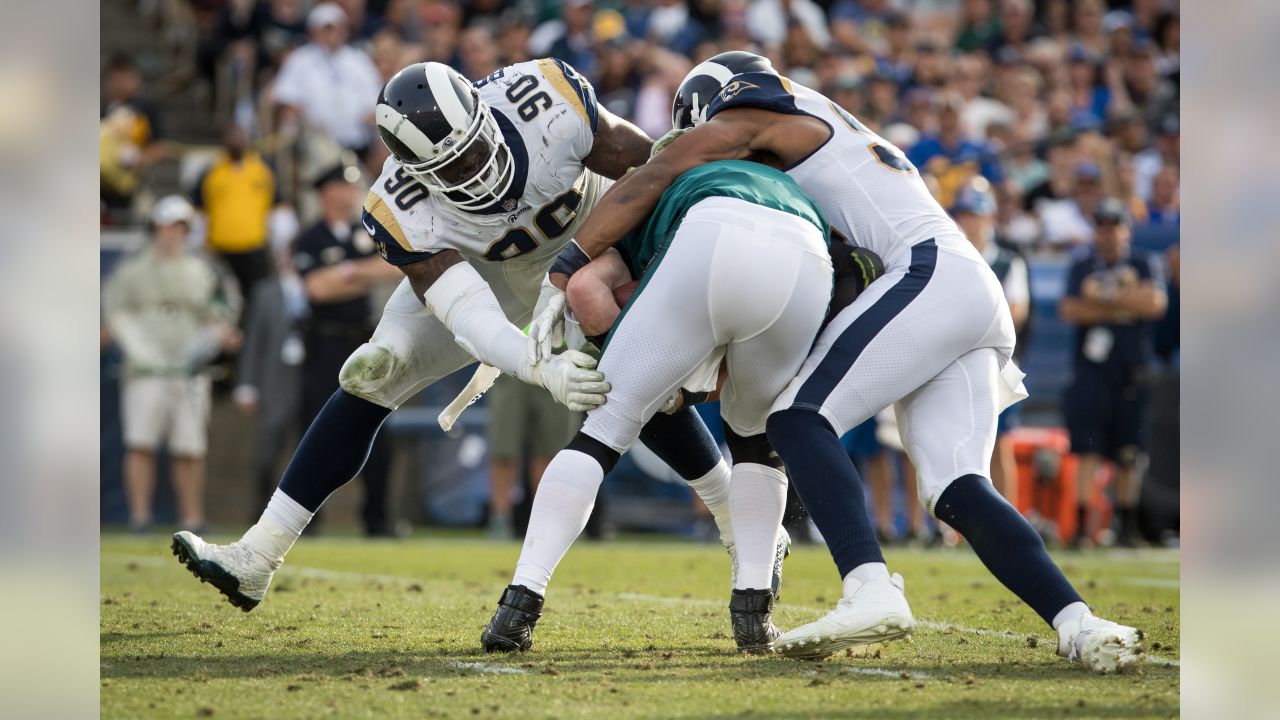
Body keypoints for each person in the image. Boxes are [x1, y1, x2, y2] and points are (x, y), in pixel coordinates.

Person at [558, 53, 1144, 673]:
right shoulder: (829, 134)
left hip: (927, 273)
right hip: (965, 289)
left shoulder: (763, 114)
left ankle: (868, 587)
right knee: (957, 488)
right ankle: (1079, 622)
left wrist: (569, 261)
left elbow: (660, 172)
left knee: (796, 420)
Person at [172, 59, 743, 613]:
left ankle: (732, 514)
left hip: (594, 231)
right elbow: (474, 321)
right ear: (412, 171)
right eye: (450, 168)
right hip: (487, 269)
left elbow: (650, 173)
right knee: (375, 370)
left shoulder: (545, 102)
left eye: (472, 149)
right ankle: (259, 554)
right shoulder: (401, 207)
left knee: (626, 363)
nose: (473, 170)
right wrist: (541, 366)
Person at [482, 155, 834, 655]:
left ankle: (519, 605)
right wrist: (690, 390)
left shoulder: (666, 178)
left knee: (603, 431)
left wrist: (630, 373)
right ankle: (753, 614)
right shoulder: (799, 188)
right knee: (757, 444)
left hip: (707, 235)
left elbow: (584, 285)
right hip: (808, 257)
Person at [104, 196, 241, 533]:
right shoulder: (131, 271)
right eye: (167, 225)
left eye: (180, 226)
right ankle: (139, 517)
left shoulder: (205, 270)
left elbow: (219, 313)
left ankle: (191, 518)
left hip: (189, 370)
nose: (172, 232)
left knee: (190, 448)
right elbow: (114, 315)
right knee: (141, 444)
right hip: (144, 369)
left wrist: (220, 336)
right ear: (155, 227)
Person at [292, 163, 403, 536]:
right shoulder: (310, 237)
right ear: (326, 192)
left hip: (364, 339)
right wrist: (365, 272)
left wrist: (348, 272)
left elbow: (399, 267)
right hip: (324, 342)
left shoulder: (366, 230)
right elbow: (316, 289)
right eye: (342, 185)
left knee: (376, 429)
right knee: (316, 431)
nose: (350, 192)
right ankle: (305, 521)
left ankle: (378, 520)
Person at [1060, 198, 1167, 548]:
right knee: (1087, 447)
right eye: (1102, 226)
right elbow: (1071, 309)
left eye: (1114, 226)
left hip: (1131, 370)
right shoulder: (1081, 264)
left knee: (1129, 451)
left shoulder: (1143, 261)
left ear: (1126, 229)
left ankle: (1127, 526)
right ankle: (1081, 527)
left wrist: (1103, 297)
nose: (1108, 233)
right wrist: (1124, 297)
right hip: (1091, 370)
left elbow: (1154, 304)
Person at [951, 177, 1031, 507]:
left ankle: (1007, 514)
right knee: (951, 442)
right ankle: (947, 525)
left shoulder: (1008, 260)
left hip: (993, 360)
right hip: (955, 358)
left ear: (990, 218)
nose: (970, 222)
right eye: (965, 215)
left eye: (975, 214)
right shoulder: (951, 256)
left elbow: (1015, 314)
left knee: (999, 444)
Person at [234, 241, 307, 512]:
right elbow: (254, 340)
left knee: (309, 451)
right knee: (268, 448)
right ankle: (260, 511)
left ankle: (308, 515)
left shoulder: (315, 286)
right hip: (274, 379)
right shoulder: (265, 292)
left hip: (307, 378)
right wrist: (246, 384)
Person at [271, 2, 382, 155]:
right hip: (315, 145)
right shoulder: (299, 60)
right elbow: (287, 99)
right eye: (327, 29)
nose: (333, 34)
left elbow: (374, 101)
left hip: (357, 142)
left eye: (337, 28)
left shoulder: (359, 60)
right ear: (313, 31)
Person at [193, 124, 281, 313]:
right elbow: (199, 211)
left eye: (239, 135)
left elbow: (278, 209)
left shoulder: (262, 169)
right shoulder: (211, 171)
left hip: (254, 247)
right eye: (231, 136)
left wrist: (278, 244)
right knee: (222, 300)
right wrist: (199, 244)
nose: (236, 140)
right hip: (220, 249)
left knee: (256, 300)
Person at [486, 374, 582, 539]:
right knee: (504, 450)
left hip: (558, 363)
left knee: (553, 454)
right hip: (510, 363)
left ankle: (549, 523)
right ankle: (500, 521)